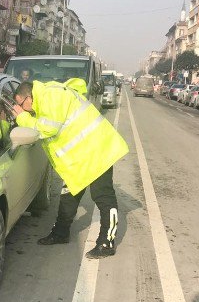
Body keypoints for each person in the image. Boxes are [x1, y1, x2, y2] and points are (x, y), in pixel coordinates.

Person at [11, 80, 129, 258]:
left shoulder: (51, 96)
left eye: (21, 105)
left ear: (28, 97)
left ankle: (107, 242)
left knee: (103, 197)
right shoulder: (44, 99)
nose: (23, 108)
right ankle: (60, 234)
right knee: (69, 194)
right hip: (81, 157)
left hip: (97, 151)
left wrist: (21, 117)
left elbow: (47, 129)